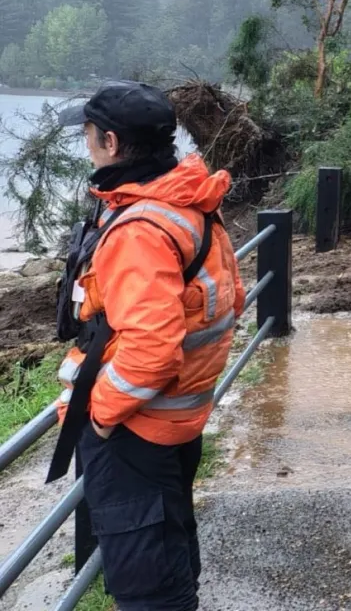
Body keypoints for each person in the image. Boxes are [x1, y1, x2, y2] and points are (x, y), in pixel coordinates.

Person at [50, 81, 245, 611]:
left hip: (138, 427)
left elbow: (152, 348)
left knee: (147, 588)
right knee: (168, 550)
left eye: (88, 136)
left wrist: (102, 415)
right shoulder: (187, 202)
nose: (87, 145)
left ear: (110, 143)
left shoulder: (139, 228)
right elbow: (233, 296)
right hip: (178, 420)